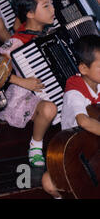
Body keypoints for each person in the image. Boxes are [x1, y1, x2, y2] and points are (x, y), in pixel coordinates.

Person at [0, 0, 58, 167]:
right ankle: (36, 145)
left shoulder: (52, 32)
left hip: (48, 92)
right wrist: (23, 82)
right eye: (46, 6)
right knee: (49, 109)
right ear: (30, 14)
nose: (53, 9)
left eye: (52, 4)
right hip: (22, 97)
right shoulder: (17, 41)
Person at [42, 34, 100, 199]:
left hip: (94, 144)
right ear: (83, 69)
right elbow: (84, 121)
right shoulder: (75, 90)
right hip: (77, 151)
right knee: (49, 182)